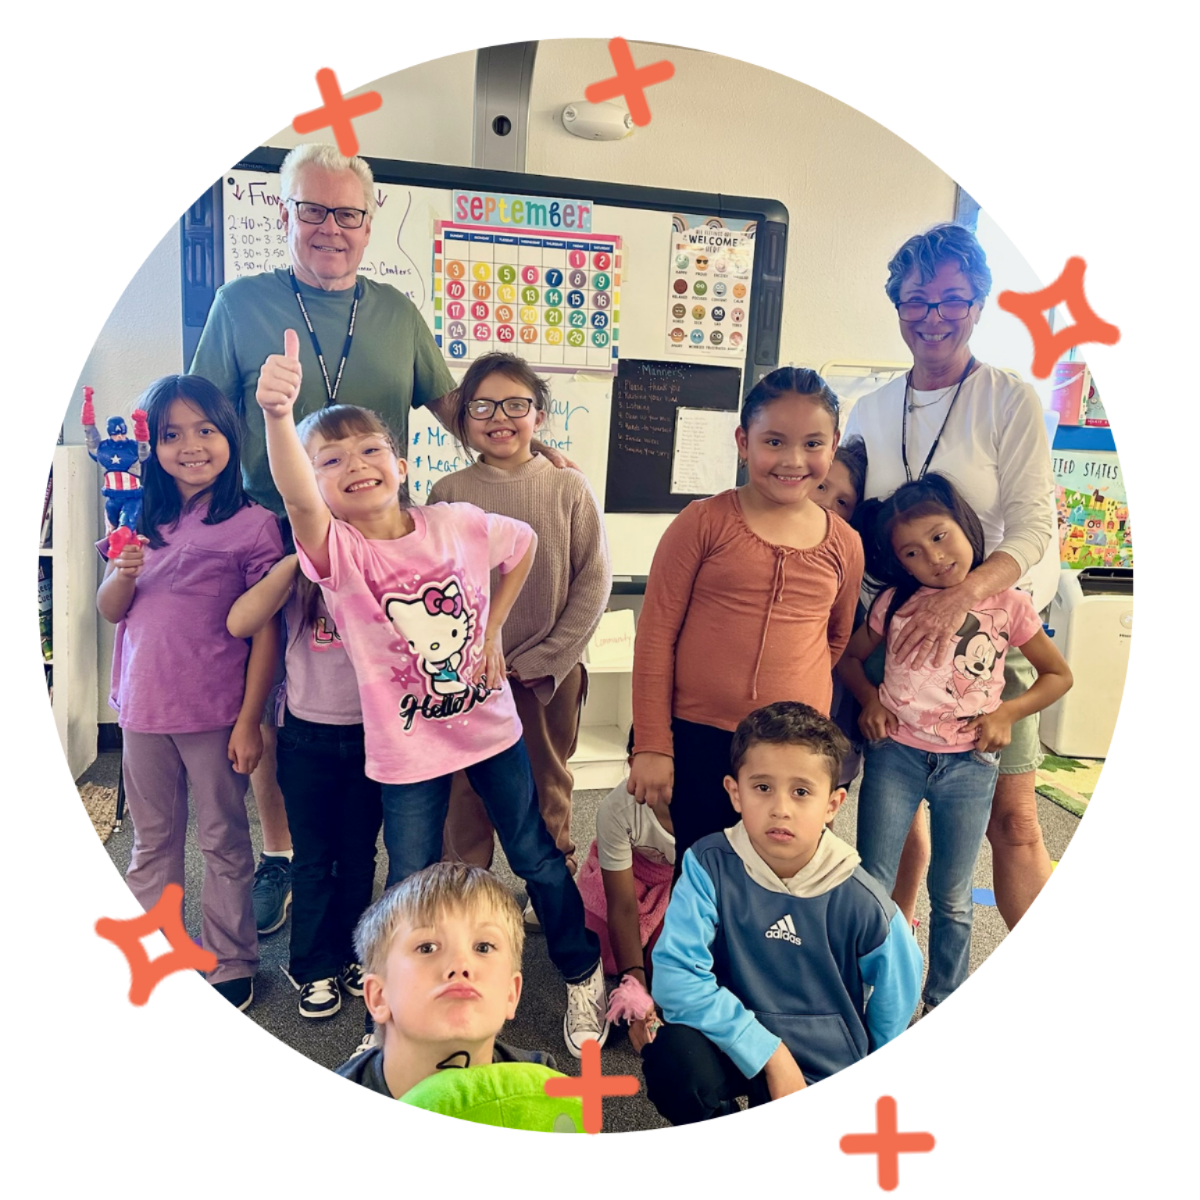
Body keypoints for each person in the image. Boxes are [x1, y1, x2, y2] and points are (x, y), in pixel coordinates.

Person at [190, 143, 577, 937]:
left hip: (374, 541)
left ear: (370, 225)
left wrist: (521, 446)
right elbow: (204, 418)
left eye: (348, 214)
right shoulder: (239, 303)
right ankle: (283, 855)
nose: (331, 228)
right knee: (274, 705)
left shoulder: (395, 311)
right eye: (314, 210)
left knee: (378, 682)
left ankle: (379, 848)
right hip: (279, 532)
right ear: (286, 214)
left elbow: (450, 404)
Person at [255, 345, 610, 1058]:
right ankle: (385, 1023)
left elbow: (527, 543)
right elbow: (295, 496)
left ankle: (582, 971)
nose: (355, 466)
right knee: (412, 879)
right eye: (331, 461)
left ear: (403, 464)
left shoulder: (455, 519)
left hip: (492, 731)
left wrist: (494, 631)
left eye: (369, 450)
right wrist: (278, 415)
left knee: (535, 853)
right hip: (406, 749)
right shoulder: (340, 554)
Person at [843, 222, 1062, 934]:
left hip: (990, 637)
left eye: (950, 301)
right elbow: (841, 508)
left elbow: (1034, 528)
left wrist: (962, 596)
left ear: (978, 305)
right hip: (894, 640)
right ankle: (891, 947)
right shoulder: (874, 408)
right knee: (895, 807)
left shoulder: (1008, 398)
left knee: (1018, 822)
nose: (931, 318)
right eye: (915, 302)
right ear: (896, 305)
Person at [838, 475, 1072, 1024]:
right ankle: (860, 997)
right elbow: (849, 659)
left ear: (966, 527)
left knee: (952, 893)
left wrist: (1007, 713)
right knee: (873, 879)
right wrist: (869, 699)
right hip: (895, 756)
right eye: (912, 552)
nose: (934, 558)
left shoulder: (1009, 604)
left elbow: (1057, 675)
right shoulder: (895, 603)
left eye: (941, 537)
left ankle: (941, 1001)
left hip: (970, 765)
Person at [629, 367, 864, 883]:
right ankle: (698, 965)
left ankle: (761, 966)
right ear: (743, 441)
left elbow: (835, 637)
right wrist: (651, 743)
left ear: (833, 445)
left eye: (812, 443)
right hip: (698, 738)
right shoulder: (702, 522)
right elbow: (655, 637)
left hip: (794, 748)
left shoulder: (845, 544)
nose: (792, 460)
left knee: (781, 875)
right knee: (703, 873)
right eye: (774, 441)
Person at [95, 375, 284, 1014]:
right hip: (143, 711)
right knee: (151, 841)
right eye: (171, 434)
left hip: (215, 713)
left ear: (230, 433)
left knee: (225, 839)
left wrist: (251, 719)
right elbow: (111, 610)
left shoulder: (255, 525)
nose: (191, 446)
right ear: (151, 444)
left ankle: (232, 956)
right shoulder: (138, 515)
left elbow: (265, 634)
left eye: (205, 429)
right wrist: (124, 573)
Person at [641, 702, 923, 1129]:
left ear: (833, 804)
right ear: (735, 792)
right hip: (737, 1043)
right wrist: (769, 1053)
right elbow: (675, 977)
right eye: (762, 788)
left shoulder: (863, 900)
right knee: (674, 1059)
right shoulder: (707, 865)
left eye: (801, 792)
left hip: (828, 1060)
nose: (781, 808)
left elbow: (897, 995)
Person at [430, 352, 611, 897]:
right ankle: (468, 890)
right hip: (465, 677)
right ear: (462, 417)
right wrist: (463, 664)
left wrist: (542, 660)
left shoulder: (568, 489)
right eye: (481, 405)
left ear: (539, 414)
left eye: (516, 403)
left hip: (546, 676)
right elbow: (433, 588)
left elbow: (593, 584)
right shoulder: (448, 493)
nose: (499, 417)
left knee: (547, 784)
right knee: (465, 788)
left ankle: (551, 891)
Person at [226, 555, 382, 1019]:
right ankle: (313, 966)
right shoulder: (296, 572)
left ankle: (354, 953)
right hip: (305, 738)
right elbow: (241, 621)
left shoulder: (378, 563)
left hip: (369, 738)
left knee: (357, 858)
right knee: (313, 861)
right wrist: (297, 560)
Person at [334, 862, 558, 1098]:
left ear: (511, 994)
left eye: (483, 947)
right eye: (427, 947)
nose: (461, 966)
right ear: (379, 996)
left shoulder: (542, 1087)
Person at [574, 728, 675, 1051]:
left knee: (673, 954)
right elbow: (621, 906)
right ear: (633, 764)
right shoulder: (617, 809)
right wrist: (635, 995)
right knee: (596, 940)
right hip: (630, 873)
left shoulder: (715, 806)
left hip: (677, 881)